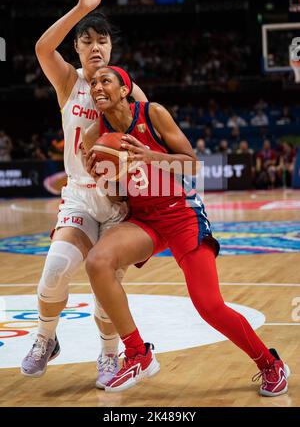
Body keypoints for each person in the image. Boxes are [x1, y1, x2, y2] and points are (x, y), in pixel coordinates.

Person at [85, 66, 290, 396]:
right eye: (93, 82)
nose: (97, 86)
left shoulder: (152, 114)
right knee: (97, 262)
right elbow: (116, 195)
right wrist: (102, 178)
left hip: (181, 215)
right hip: (144, 219)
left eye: (105, 80)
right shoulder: (98, 135)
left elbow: (192, 163)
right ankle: (138, 353)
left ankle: (270, 363)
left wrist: (148, 155)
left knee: (209, 305)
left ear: (124, 89)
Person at [21, 0, 148, 389]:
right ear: (76, 47)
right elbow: (41, 46)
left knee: (103, 292)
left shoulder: (131, 92)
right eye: (87, 40)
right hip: (78, 197)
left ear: (112, 48)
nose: (96, 46)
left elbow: (157, 149)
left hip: (118, 207)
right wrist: (81, 8)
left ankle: (109, 355)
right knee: (56, 267)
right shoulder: (68, 81)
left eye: (102, 40)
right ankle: (45, 337)